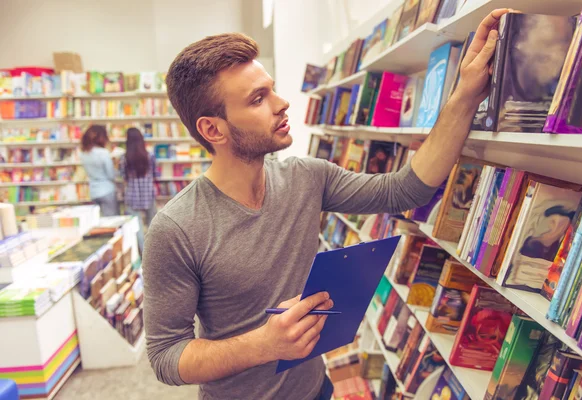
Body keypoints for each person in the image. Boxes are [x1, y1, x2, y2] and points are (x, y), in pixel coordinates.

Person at [143, 9, 508, 400]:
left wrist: (466, 93)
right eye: (258, 99)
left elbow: (404, 191)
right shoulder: (176, 228)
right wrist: (263, 344)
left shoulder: (307, 177)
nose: (282, 104)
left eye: (272, 89)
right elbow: (166, 355)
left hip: (317, 389)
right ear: (213, 129)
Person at [119, 127, 159, 255]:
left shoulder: (124, 158)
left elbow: (123, 176)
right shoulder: (150, 156)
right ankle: (156, 254)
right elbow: (155, 174)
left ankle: (144, 256)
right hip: (148, 194)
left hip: (132, 196)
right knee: (153, 226)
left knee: (137, 229)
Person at [80, 125, 118, 216]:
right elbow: (111, 175)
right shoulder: (103, 153)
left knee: (98, 221)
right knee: (110, 221)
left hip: (93, 191)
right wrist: (115, 164)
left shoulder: (83, 154)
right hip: (107, 190)